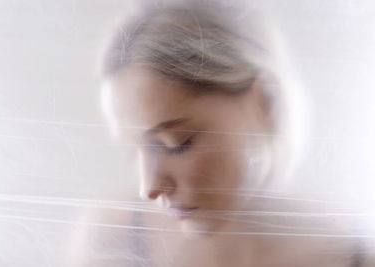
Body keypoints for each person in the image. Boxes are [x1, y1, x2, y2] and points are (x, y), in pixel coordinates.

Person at [70, 1, 374, 266]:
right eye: (136, 149)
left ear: (264, 103)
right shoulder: (115, 240)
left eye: (176, 143)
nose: (149, 188)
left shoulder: (355, 254)